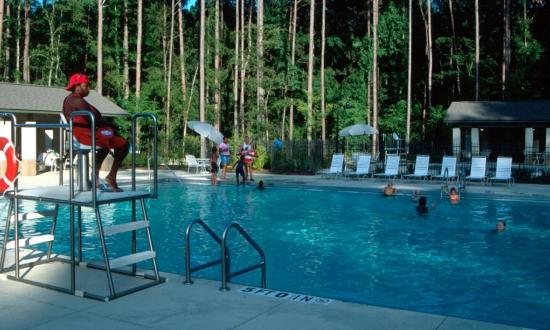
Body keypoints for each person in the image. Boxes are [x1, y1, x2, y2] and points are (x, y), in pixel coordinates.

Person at [62, 73, 129, 192]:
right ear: (77, 86)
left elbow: (93, 119)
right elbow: (93, 119)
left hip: (87, 133)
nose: (89, 88)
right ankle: (111, 177)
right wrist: (111, 125)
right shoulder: (77, 100)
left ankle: (96, 177)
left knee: (108, 142)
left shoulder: (73, 99)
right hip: (84, 135)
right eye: (86, 85)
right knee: (124, 144)